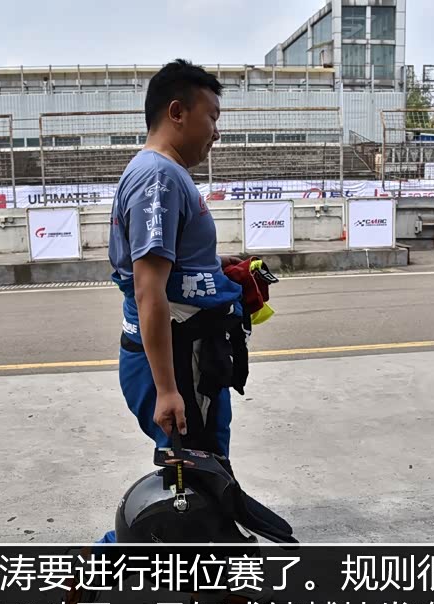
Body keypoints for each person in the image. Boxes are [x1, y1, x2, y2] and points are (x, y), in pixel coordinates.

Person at [96, 59, 247, 545]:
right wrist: (167, 389)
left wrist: (215, 266)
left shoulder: (167, 174)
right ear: (177, 112)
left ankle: (214, 555)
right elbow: (149, 288)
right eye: (212, 117)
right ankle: (102, 562)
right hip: (176, 359)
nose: (217, 132)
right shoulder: (157, 179)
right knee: (195, 472)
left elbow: (170, 265)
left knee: (204, 467)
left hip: (191, 353)